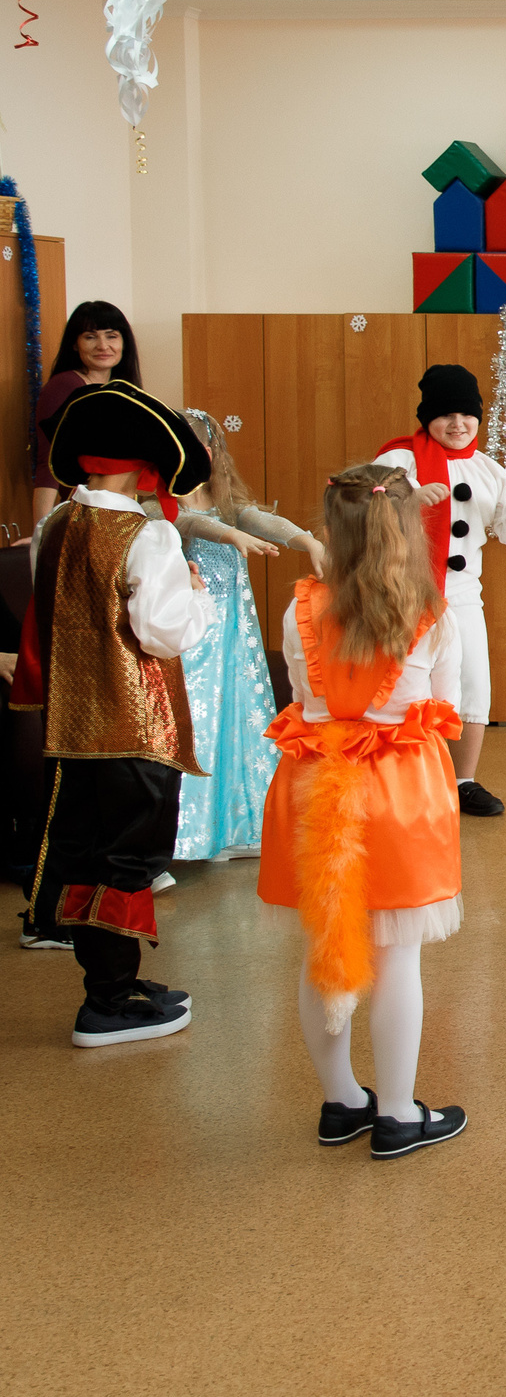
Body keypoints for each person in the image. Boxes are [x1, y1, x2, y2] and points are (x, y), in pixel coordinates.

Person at [257, 464, 468, 1160]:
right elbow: (447, 711)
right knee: (395, 958)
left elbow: (302, 696)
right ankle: (400, 1114)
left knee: (326, 950)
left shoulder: (299, 610)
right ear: (406, 528)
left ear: (331, 534)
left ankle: (342, 1100)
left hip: (316, 788)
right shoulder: (433, 614)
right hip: (400, 794)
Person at [12, 380, 215, 1046]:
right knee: (127, 860)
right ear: (141, 464)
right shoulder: (147, 536)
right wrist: (196, 595)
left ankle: (112, 984)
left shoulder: (56, 524)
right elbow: (161, 634)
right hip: (135, 728)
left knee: (84, 852)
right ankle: (107, 1004)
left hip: (71, 726)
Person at [375, 365, 506, 817]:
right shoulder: (399, 460)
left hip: (463, 592)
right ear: (427, 418)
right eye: (445, 415)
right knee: (404, 686)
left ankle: (462, 780)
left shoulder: (488, 468)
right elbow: (363, 510)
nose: (457, 424)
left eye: (466, 414)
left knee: (473, 684)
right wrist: (408, 501)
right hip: (404, 590)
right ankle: (404, 778)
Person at [169, 408, 323, 864]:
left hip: (233, 631)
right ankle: (184, 832)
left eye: (208, 446)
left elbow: (256, 518)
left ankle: (237, 824)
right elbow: (187, 523)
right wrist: (229, 534)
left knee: (236, 709)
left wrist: (307, 540)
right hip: (194, 636)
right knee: (198, 715)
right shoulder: (158, 503)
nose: (204, 454)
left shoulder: (225, 499)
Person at [28, 300, 143, 522]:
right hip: (81, 515)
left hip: (122, 510)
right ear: (75, 344)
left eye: (111, 336)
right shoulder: (65, 386)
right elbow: (47, 462)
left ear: (124, 342)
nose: (102, 345)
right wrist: (40, 532)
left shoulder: (125, 390)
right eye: (90, 337)